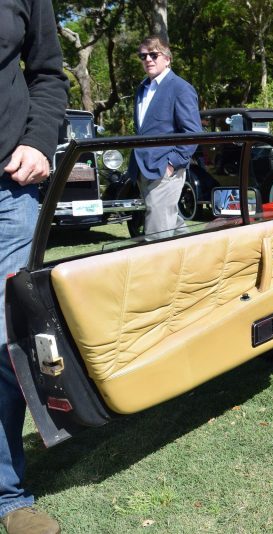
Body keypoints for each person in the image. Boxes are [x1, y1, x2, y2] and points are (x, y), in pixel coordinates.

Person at [1, 1, 69, 533]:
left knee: (4, 344)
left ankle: (7, 495)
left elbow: (48, 73)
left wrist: (39, 138)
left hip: (8, 192)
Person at [129, 35, 201, 237]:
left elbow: (193, 133)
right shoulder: (141, 89)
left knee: (156, 232)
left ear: (167, 58)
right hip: (143, 169)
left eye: (154, 54)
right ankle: (197, 259)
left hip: (165, 169)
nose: (148, 60)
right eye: (143, 56)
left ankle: (156, 269)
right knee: (171, 223)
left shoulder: (180, 88)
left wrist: (172, 163)